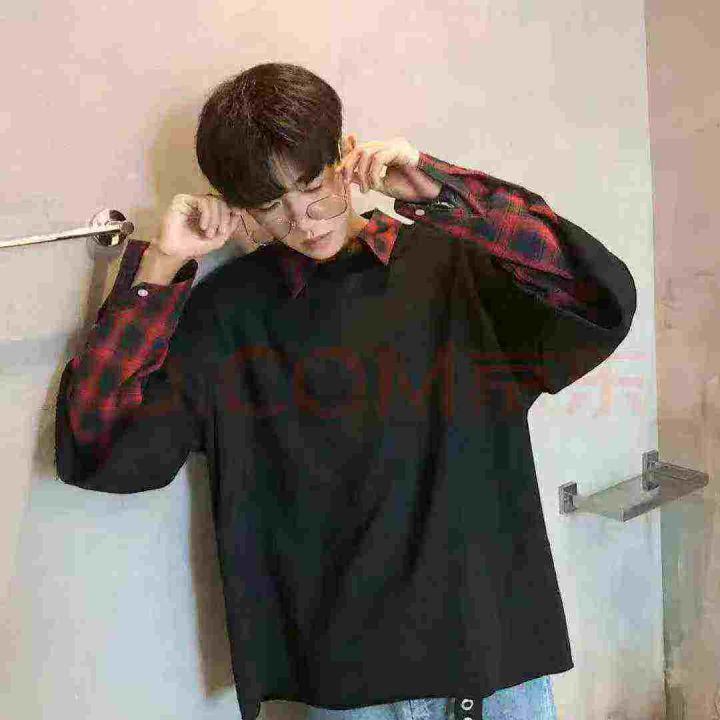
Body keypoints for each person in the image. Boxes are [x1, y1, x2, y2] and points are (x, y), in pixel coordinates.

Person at [55, 62, 637, 720]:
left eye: (312, 187)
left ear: (343, 155)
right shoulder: (231, 316)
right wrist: (161, 265)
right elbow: (101, 447)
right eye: (270, 206)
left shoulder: (453, 265)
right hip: (355, 691)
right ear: (238, 207)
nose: (303, 221)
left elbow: (596, 295)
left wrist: (437, 188)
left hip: (499, 669)